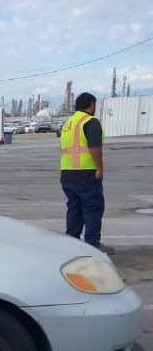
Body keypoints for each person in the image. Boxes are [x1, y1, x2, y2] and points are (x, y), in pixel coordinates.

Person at [60, 92, 108, 251]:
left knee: (74, 208)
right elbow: (95, 148)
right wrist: (100, 168)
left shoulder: (68, 123)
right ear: (91, 104)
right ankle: (92, 245)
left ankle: (71, 243)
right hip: (86, 174)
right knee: (93, 207)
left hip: (67, 174)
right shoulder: (90, 122)